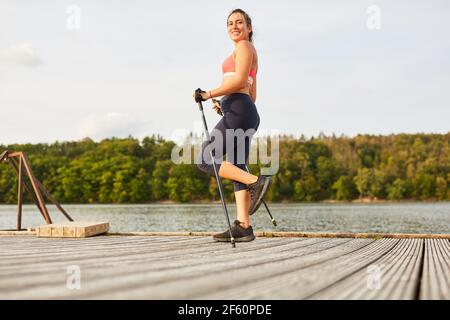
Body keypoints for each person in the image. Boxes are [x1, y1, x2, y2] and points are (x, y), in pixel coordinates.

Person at [194, 8, 272, 242]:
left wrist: (208, 94)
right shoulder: (245, 52)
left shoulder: (244, 47)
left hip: (240, 111)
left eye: (239, 23)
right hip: (242, 110)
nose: (234, 27)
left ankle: (256, 182)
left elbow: (238, 81)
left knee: (205, 159)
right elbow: (250, 92)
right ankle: (243, 226)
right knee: (238, 166)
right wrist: (223, 103)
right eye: (229, 23)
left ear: (249, 28)